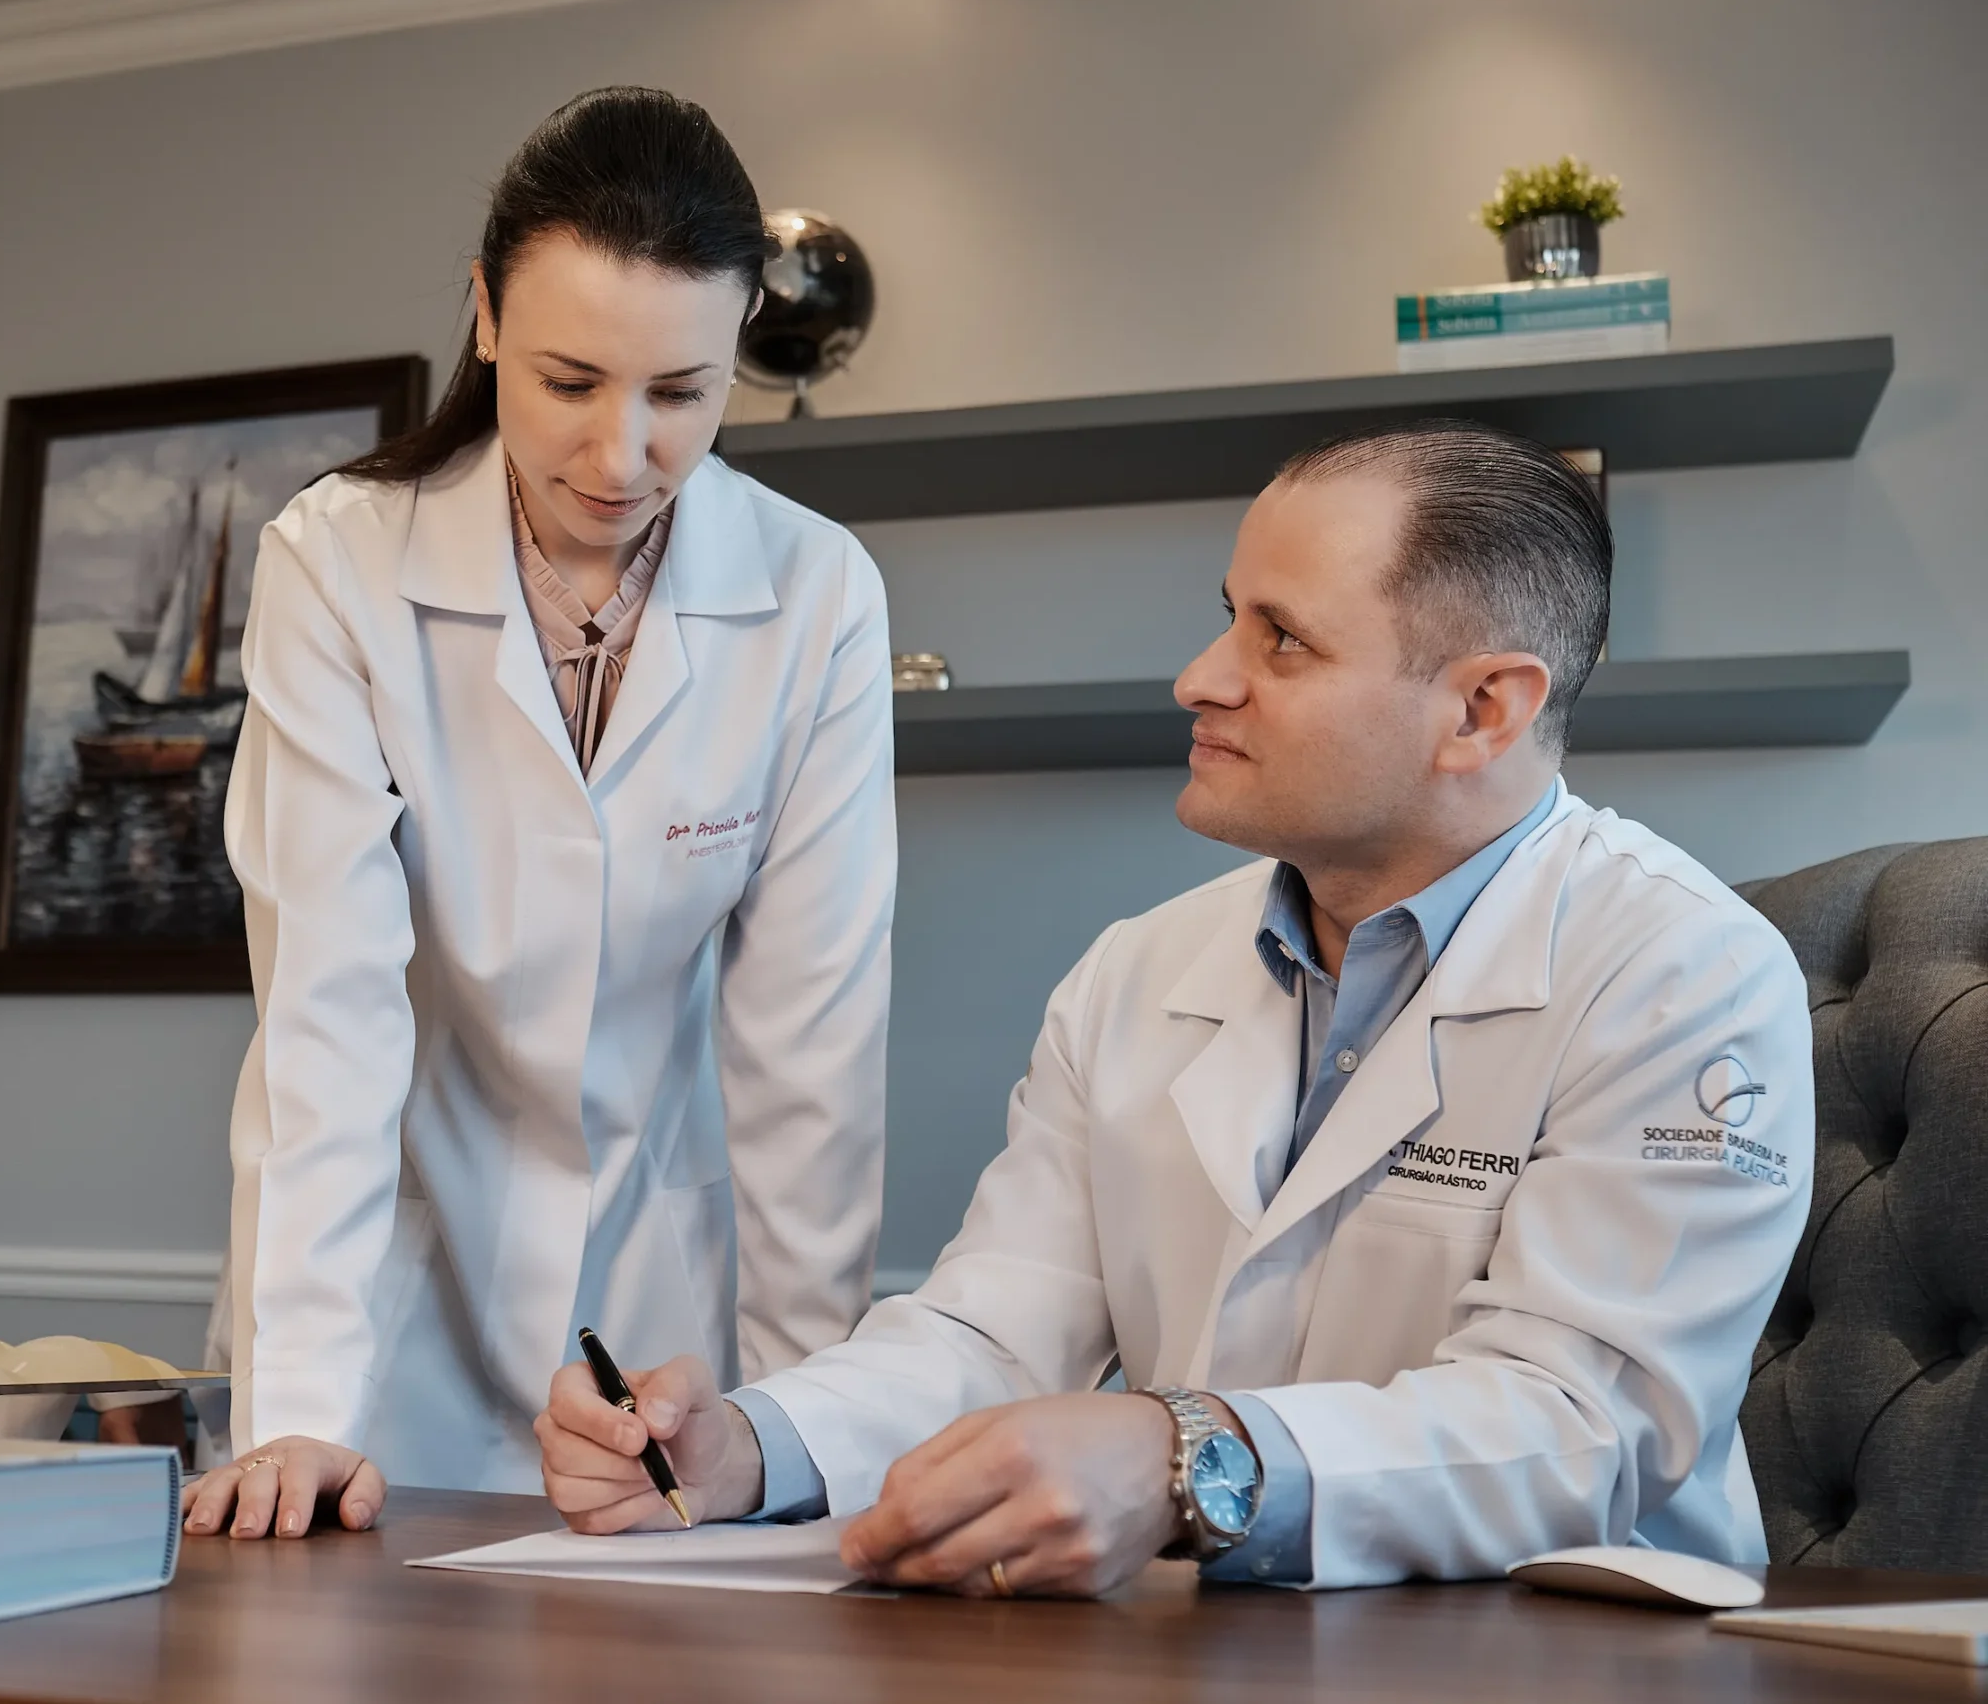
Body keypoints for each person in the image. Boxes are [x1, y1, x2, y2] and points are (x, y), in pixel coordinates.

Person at [535, 420, 1813, 1595]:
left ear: (1482, 709)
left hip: (1560, 1658)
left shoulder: (1683, 976)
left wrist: (1179, 1455)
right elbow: (993, 1329)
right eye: (1225, 619)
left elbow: (1578, 1429)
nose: (1199, 678)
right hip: (1221, 1646)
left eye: (1282, 639)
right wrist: (744, 1449)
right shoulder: (1138, 971)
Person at [181, 87, 896, 1542]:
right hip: (382, 1288)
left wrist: (809, 1424)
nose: (621, 455)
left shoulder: (818, 595)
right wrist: (302, 1399)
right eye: (571, 380)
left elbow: (807, 1054)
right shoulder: (341, 563)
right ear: (487, 317)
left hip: (662, 1305)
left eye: (682, 393)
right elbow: (330, 1005)